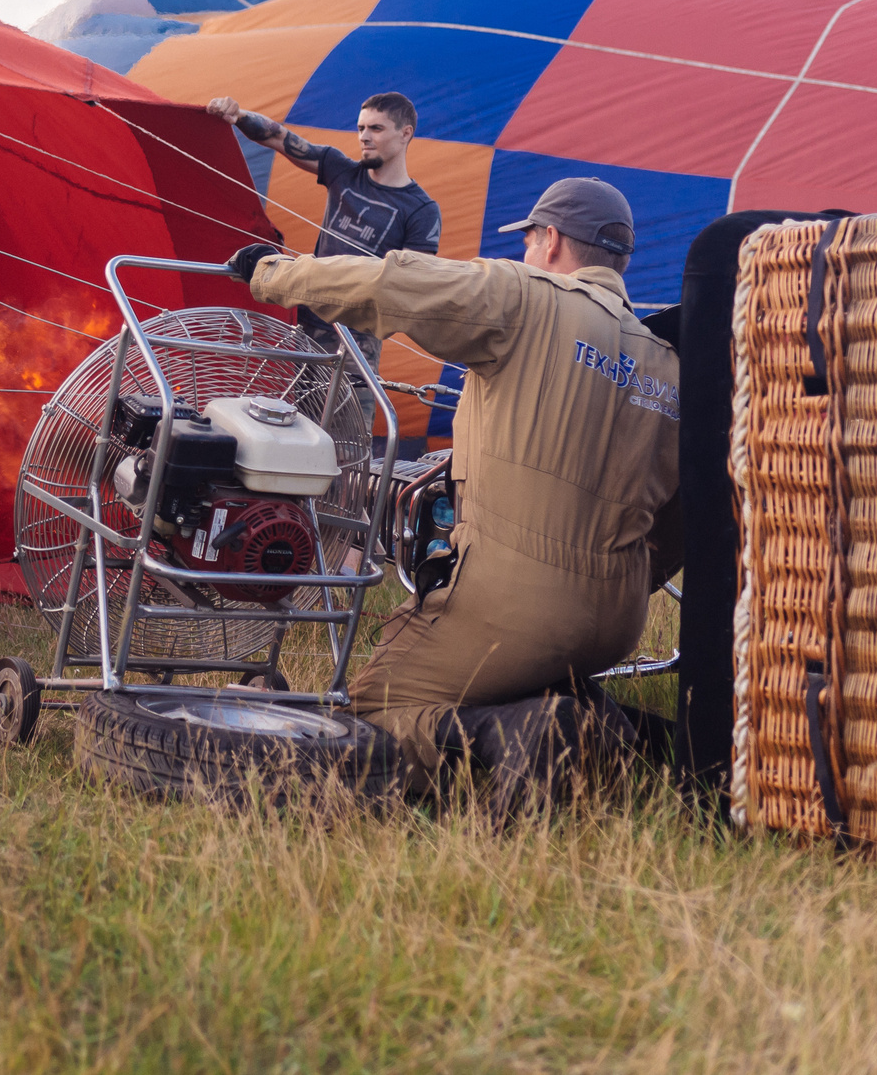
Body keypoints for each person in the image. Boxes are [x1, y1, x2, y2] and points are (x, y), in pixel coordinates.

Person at [224, 176, 679, 789]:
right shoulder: (664, 361)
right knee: (517, 673)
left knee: (366, 719)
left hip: (514, 603)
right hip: (617, 618)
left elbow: (394, 283)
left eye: (530, 241)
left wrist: (272, 273)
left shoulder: (527, 295)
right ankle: (635, 740)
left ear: (548, 240)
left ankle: (503, 736)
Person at [205, 91, 441, 374]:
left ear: (405, 134)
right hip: (303, 326)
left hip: (356, 343)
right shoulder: (342, 170)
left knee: (345, 418)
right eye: (361, 128)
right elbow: (279, 137)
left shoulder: (421, 210)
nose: (364, 137)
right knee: (284, 414)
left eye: (376, 128)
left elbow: (412, 286)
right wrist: (238, 115)